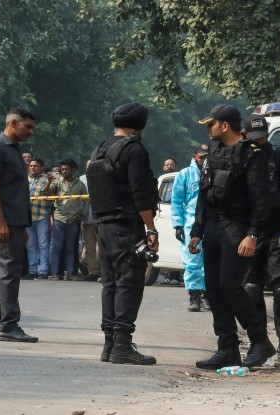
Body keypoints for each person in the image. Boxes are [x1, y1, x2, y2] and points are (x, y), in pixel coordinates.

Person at [189, 104, 276, 370]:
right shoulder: (213, 151)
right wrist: (197, 231)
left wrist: (252, 235)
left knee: (229, 285)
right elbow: (204, 195)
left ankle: (260, 340)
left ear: (225, 126)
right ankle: (227, 347)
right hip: (214, 227)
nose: (208, 129)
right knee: (213, 289)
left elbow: (262, 202)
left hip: (238, 229)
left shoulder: (252, 155)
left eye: (211, 124)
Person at [87, 102, 158, 364]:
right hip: (127, 226)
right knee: (129, 283)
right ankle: (122, 346)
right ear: (141, 125)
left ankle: (109, 344)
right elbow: (140, 193)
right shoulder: (134, 149)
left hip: (103, 226)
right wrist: (150, 228)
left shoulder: (100, 149)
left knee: (110, 284)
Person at [243, 114, 280, 362]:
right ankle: (259, 340)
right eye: (255, 138)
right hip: (250, 233)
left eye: (263, 137)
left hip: (277, 228)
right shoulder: (239, 157)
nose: (260, 141)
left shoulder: (279, 157)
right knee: (252, 289)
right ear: (245, 135)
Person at [0, 107, 37, 342]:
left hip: (14, 221)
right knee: (9, 272)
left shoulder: (15, 149)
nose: (31, 132)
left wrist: (22, 225)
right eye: (28, 127)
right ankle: (9, 325)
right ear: (13, 123)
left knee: (3, 273)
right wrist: (0, 222)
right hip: (3, 221)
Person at [171, 143, 208, 311]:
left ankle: (206, 295)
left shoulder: (214, 172)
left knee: (209, 261)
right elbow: (177, 200)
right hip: (190, 224)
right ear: (195, 157)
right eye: (201, 157)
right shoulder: (185, 174)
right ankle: (194, 296)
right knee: (192, 261)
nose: (204, 160)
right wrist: (177, 224)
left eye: (206, 157)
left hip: (210, 223)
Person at [51, 158, 87, 281]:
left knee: (71, 247)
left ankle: (71, 273)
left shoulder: (80, 184)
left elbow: (86, 200)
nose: (64, 171)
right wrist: (48, 181)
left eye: (66, 169)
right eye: (62, 169)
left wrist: (83, 214)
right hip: (59, 218)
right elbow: (46, 193)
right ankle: (56, 273)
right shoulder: (57, 182)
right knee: (56, 246)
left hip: (73, 219)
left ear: (73, 169)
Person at [26, 157, 55, 280]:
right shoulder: (24, 179)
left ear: (41, 168)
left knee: (43, 244)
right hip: (27, 216)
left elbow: (49, 195)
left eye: (35, 166)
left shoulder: (47, 179)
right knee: (30, 245)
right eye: (31, 166)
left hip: (42, 215)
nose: (32, 168)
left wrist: (48, 183)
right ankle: (32, 270)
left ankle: (43, 270)